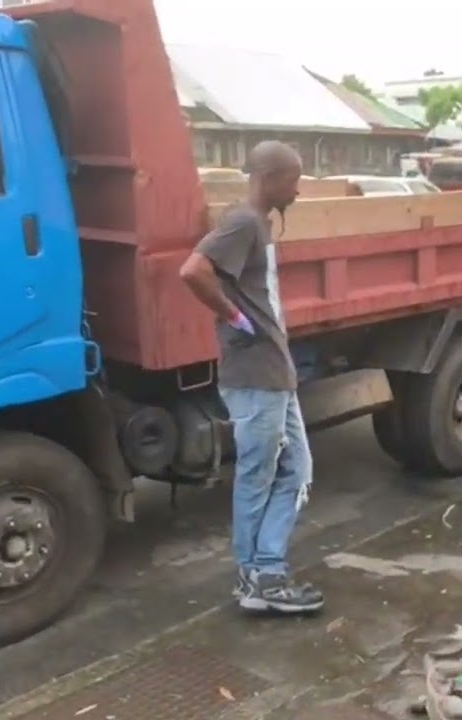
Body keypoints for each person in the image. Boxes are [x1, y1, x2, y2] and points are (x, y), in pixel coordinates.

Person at [179, 141, 324, 614]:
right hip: (255, 374)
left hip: (273, 371)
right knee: (257, 476)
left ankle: (266, 569)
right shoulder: (242, 222)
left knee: (297, 470)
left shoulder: (257, 224)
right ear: (268, 177)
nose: (298, 190)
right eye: (293, 179)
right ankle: (258, 579)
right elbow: (194, 271)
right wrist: (237, 320)